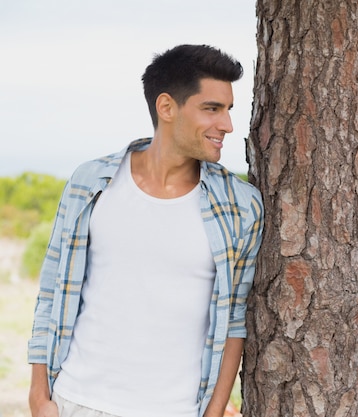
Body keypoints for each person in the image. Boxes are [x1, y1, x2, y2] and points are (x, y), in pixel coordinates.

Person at [27, 44, 264, 417]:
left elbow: (235, 320)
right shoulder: (90, 183)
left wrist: (214, 411)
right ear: (167, 107)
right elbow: (53, 289)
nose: (227, 125)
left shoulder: (241, 205)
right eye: (211, 109)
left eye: (228, 110)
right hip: (77, 402)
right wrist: (39, 398)